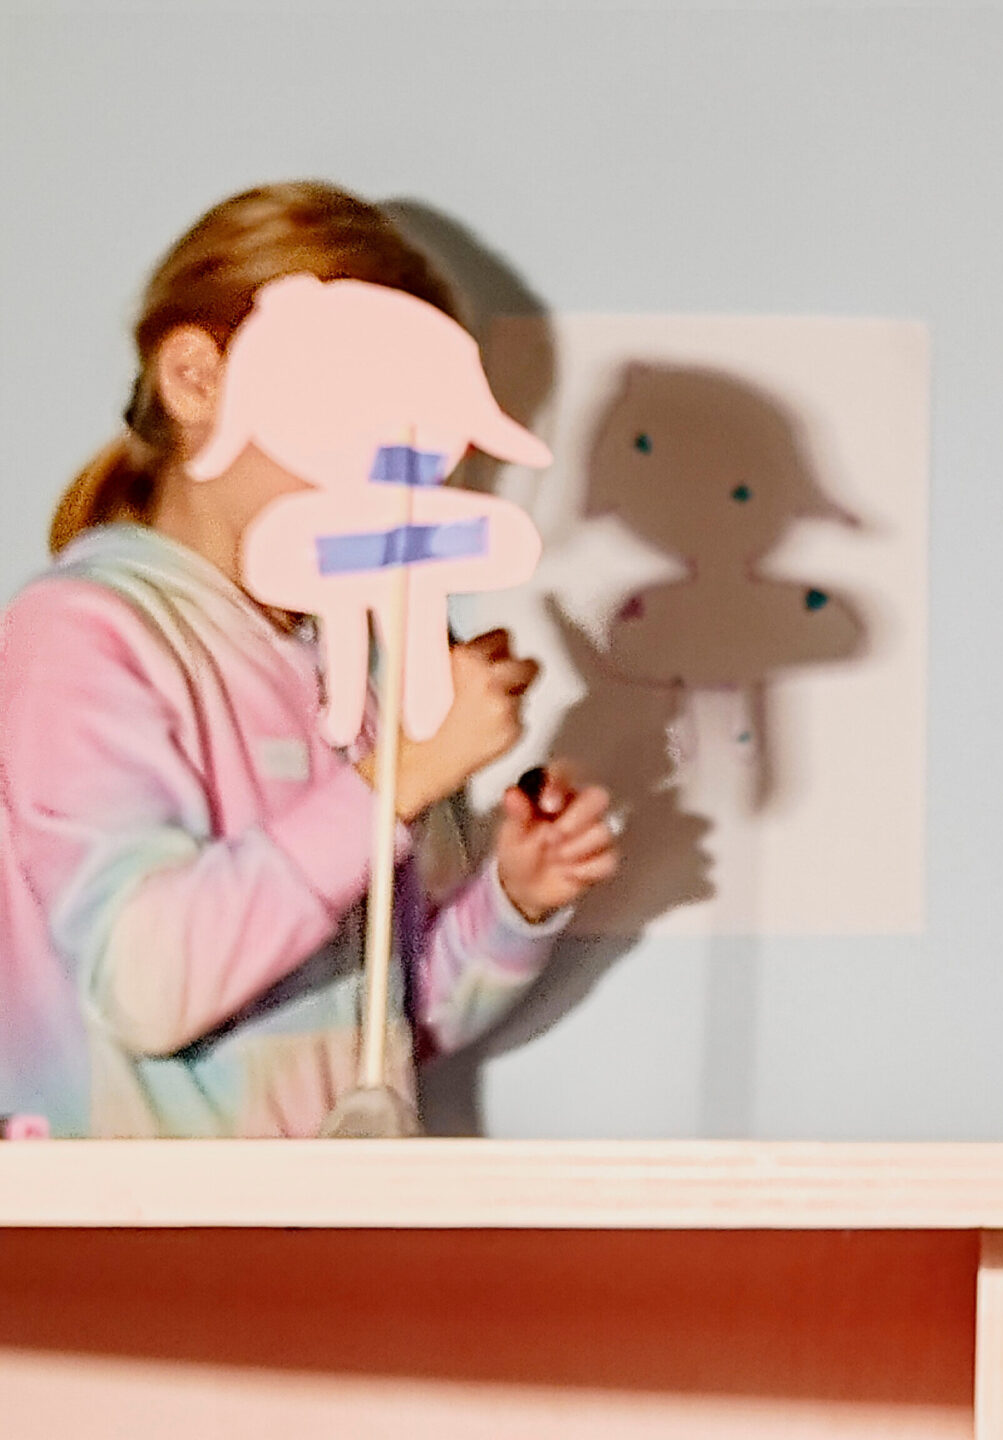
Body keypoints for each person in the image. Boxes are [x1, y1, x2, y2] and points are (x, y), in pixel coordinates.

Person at [0, 182, 618, 1138]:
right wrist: (402, 779)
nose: (384, 469)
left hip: (326, 1218)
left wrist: (514, 898)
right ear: (196, 380)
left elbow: (386, 1028)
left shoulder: (348, 665)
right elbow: (148, 986)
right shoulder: (81, 634)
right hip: (133, 1220)